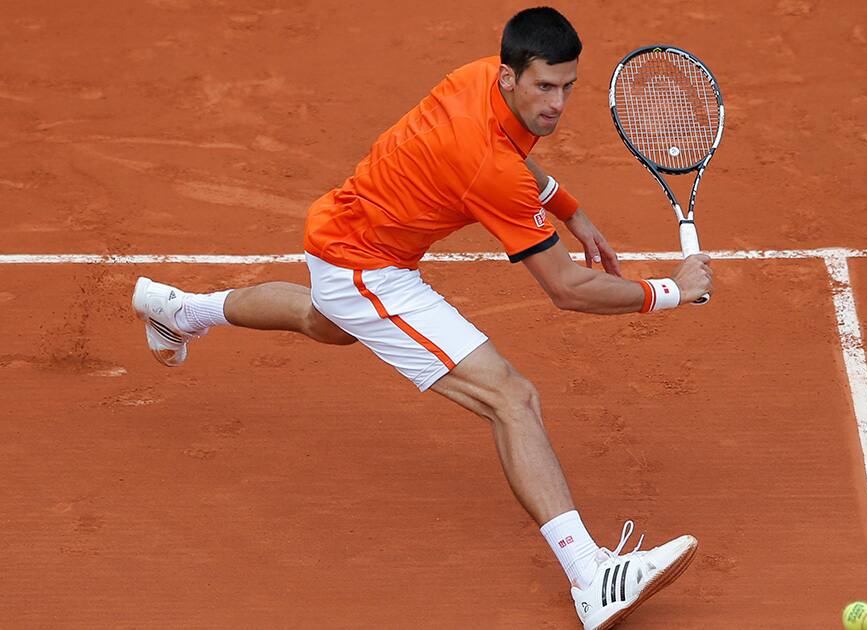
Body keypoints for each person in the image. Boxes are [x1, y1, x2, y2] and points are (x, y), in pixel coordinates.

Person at [131, 7, 713, 629]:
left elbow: (520, 161)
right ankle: (589, 576)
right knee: (510, 397)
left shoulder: (482, 78)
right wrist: (669, 292)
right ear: (513, 77)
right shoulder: (484, 165)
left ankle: (179, 312)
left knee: (319, 319)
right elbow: (567, 289)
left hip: (341, 229)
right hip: (367, 266)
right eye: (545, 86)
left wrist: (571, 211)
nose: (558, 103)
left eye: (568, 86)